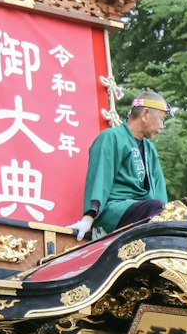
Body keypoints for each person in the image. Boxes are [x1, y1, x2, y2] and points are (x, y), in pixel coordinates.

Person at [73, 92, 170, 240]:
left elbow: (159, 191)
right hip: (116, 209)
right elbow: (100, 178)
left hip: (145, 210)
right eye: (161, 120)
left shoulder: (150, 150)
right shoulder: (111, 137)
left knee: (168, 212)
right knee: (156, 208)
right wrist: (88, 218)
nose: (162, 127)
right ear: (145, 114)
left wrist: (169, 213)